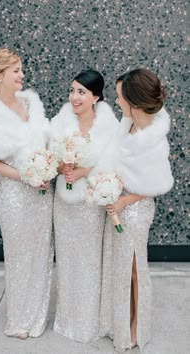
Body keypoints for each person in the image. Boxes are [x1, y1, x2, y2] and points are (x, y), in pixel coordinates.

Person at [0, 48, 53, 339]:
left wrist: (48, 167)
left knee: (41, 252)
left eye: (21, 69)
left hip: (42, 193)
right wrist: (27, 176)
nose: (21, 75)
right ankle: (19, 319)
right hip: (15, 194)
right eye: (16, 70)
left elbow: (47, 140)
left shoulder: (31, 101)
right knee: (18, 255)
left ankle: (36, 316)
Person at [99, 68, 174, 352]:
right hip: (117, 204)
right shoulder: (127, 123)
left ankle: (136, 326)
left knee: (134, 268)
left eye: (119, 97)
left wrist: (122, 201)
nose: (116, 102)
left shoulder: (153, 139)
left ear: (134, 101)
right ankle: (118, 320)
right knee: (119, 267)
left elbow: (153, 186)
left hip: (136, 209)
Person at [50, 69, 119, 343]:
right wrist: (61, 167)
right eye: (72, 90)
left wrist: (85, 171)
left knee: (90, 259)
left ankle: (89, 320)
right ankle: (68, 319)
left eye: (81, 92)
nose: (74, 97)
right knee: (67, 259)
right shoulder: (60, 121)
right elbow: (48, 158)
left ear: (96, 97)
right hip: (64, 203)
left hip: (90, 204)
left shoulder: (109, 125)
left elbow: (113, 161)